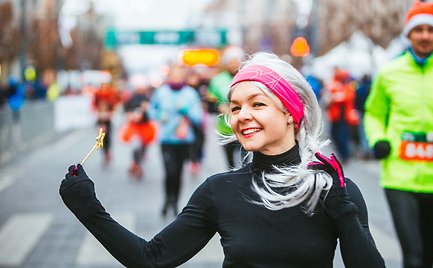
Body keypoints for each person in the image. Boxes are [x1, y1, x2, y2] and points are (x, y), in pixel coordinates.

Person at [60, 52, 385, 267]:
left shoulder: (333, 190)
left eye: (257, 104)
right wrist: (89, 208)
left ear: (291, 113)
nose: (242, 115)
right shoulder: (220, 190)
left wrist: (343, 210)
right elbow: (151, 259)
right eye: (235, 106)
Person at [364, 1, 433, 268]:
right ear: (409, 34)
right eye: (418, 29)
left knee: (427, 259)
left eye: (431, 30)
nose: (425, 35)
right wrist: (378, 139)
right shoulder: (389, 72)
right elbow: (373, 113)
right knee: (413, 256)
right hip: (399, 175)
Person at [150, 64, 204, 216]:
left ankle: (175, 202)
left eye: (179, 75)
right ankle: (167, 197)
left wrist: (187, 110)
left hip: (184, 139)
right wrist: (159, 116)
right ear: (169, 76)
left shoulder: (190, 93)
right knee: (169, 171)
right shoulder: (161, 92)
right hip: (166, 138)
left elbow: (198, 117)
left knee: (179, 172)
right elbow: (151, 110)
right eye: (174, 75)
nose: (176, 78)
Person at [208, 46, 248, 169]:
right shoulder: (217, 80)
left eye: (236, 60)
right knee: (230, 164)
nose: (234, 64)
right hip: (225, 127)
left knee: (245, 162)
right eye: (231, 61)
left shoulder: (248, 77)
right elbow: (209, 104)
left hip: (245, 125)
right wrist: (219, 106)